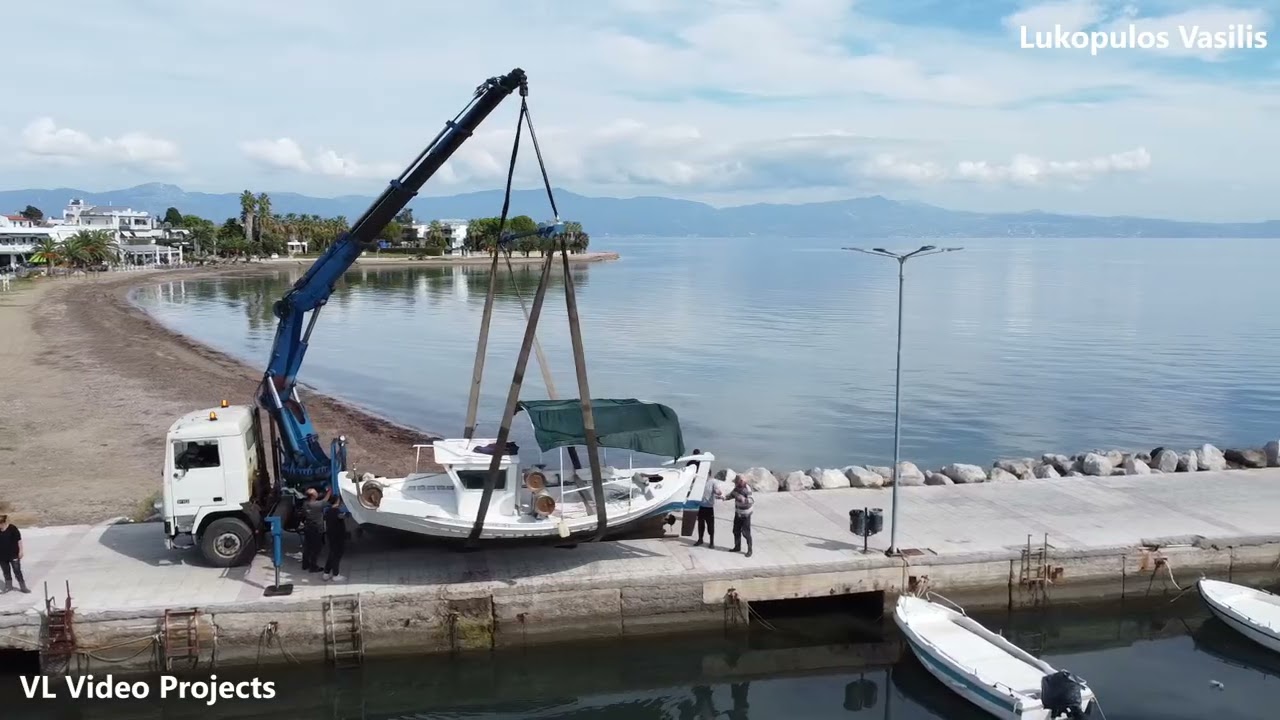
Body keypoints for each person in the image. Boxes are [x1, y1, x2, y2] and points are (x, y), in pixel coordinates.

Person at [721, 475, 754, 557]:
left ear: (741, 482)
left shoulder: (747, 490)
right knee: (736, 530)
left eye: (736, 482)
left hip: (746, 514)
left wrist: (744, 500)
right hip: (738, 513)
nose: (735, 484)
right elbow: (732, 495)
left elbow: (752, 500)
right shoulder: (736, 488)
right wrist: (724, 497)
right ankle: (737, 546)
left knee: (746, 533)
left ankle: (749, 550)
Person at [300, 486, 331, 573]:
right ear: (313, 496)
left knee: (307, 546)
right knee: (316, 548)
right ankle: (313, 567)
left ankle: (305, 564)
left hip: (308, 527)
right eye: (315, 493)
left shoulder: (305, 504)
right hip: (316, 529)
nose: (317, 493)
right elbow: (326, 501)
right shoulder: (317, 505)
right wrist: (329, 491)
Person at [0, 514, 29, 594]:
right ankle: (8, 586)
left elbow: (18, 540)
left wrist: (21, 551)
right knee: (6, 571)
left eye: (0, 524)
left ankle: (23, 587)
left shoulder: (12, 529)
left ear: (4, 523)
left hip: (13, 554)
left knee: (17, 571)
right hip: (2, 556)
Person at [322, 495, 347, 582]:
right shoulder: (337, 512)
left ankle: (326, 572)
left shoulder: (328, 511)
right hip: (337, 535)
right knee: (337, 554)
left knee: (332, 553)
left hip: (331, 534)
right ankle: (336, 574)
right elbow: (342, 517)